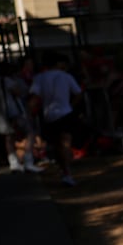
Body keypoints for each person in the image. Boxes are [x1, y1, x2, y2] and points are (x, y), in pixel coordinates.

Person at [29, 52, 85, 187]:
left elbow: (34, 98)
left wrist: (30, 114)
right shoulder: (66, 76)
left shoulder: (39, 78)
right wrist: (71, 106)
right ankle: (67, 171)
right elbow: (78, 93)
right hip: (66, 112)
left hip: (49, 115)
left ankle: (65, 170)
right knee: (65, 142)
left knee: (57, 145)